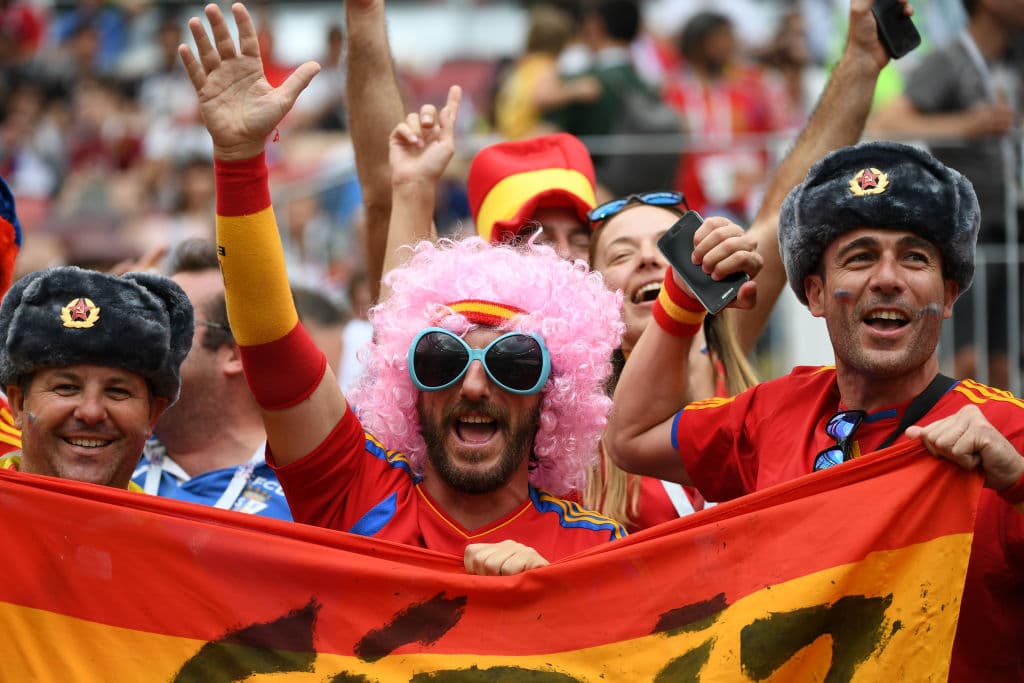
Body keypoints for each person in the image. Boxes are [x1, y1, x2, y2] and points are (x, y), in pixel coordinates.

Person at [181, 2, 626, 575]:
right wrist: (240, 162)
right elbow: (270, 342)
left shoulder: (598, 553)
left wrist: (554, 596)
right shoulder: (353, 489)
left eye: (513, 362)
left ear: (553, 398)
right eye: (438, 357)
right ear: (406, 385)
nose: (471, 385)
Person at [606, 140, 1024, 680]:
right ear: (817, 294)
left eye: (914, 257)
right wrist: (684, 298)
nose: (888, 278)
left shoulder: (1007, 431)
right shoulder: (774, 412)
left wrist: (1017, 481)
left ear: (946, 296)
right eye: (861, 257)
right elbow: (632, 436)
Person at [871, 0, 1022, 388]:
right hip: (973, 232)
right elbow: (887, 120)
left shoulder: (1015, 53)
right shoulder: (951, 59)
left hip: (1012, 230)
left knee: (1004, 363)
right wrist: (966, 125)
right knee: (966, 359)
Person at [131, 238, 290, 518]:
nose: (144, 336)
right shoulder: (104, 452)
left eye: (168, 320)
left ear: (234, 355)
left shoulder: (306, 480)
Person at [0, 265, 192, 490]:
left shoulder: (168, 525)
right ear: (18, 404)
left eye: (117, 391)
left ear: (152, 415)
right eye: (66, 387)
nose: (91, 412)